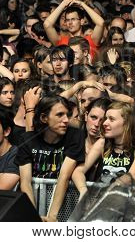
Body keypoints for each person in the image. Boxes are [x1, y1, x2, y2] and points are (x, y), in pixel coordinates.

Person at [16, 93, 85, 222]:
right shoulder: (27, 139)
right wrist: (33, 217)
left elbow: (64, 176)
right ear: (44, 118)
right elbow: (25, 181)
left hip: (64, 206)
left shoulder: (75, 136)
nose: (66, 120)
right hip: (33, 202)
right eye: (59, 115)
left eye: (67, 115)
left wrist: (53, 216)